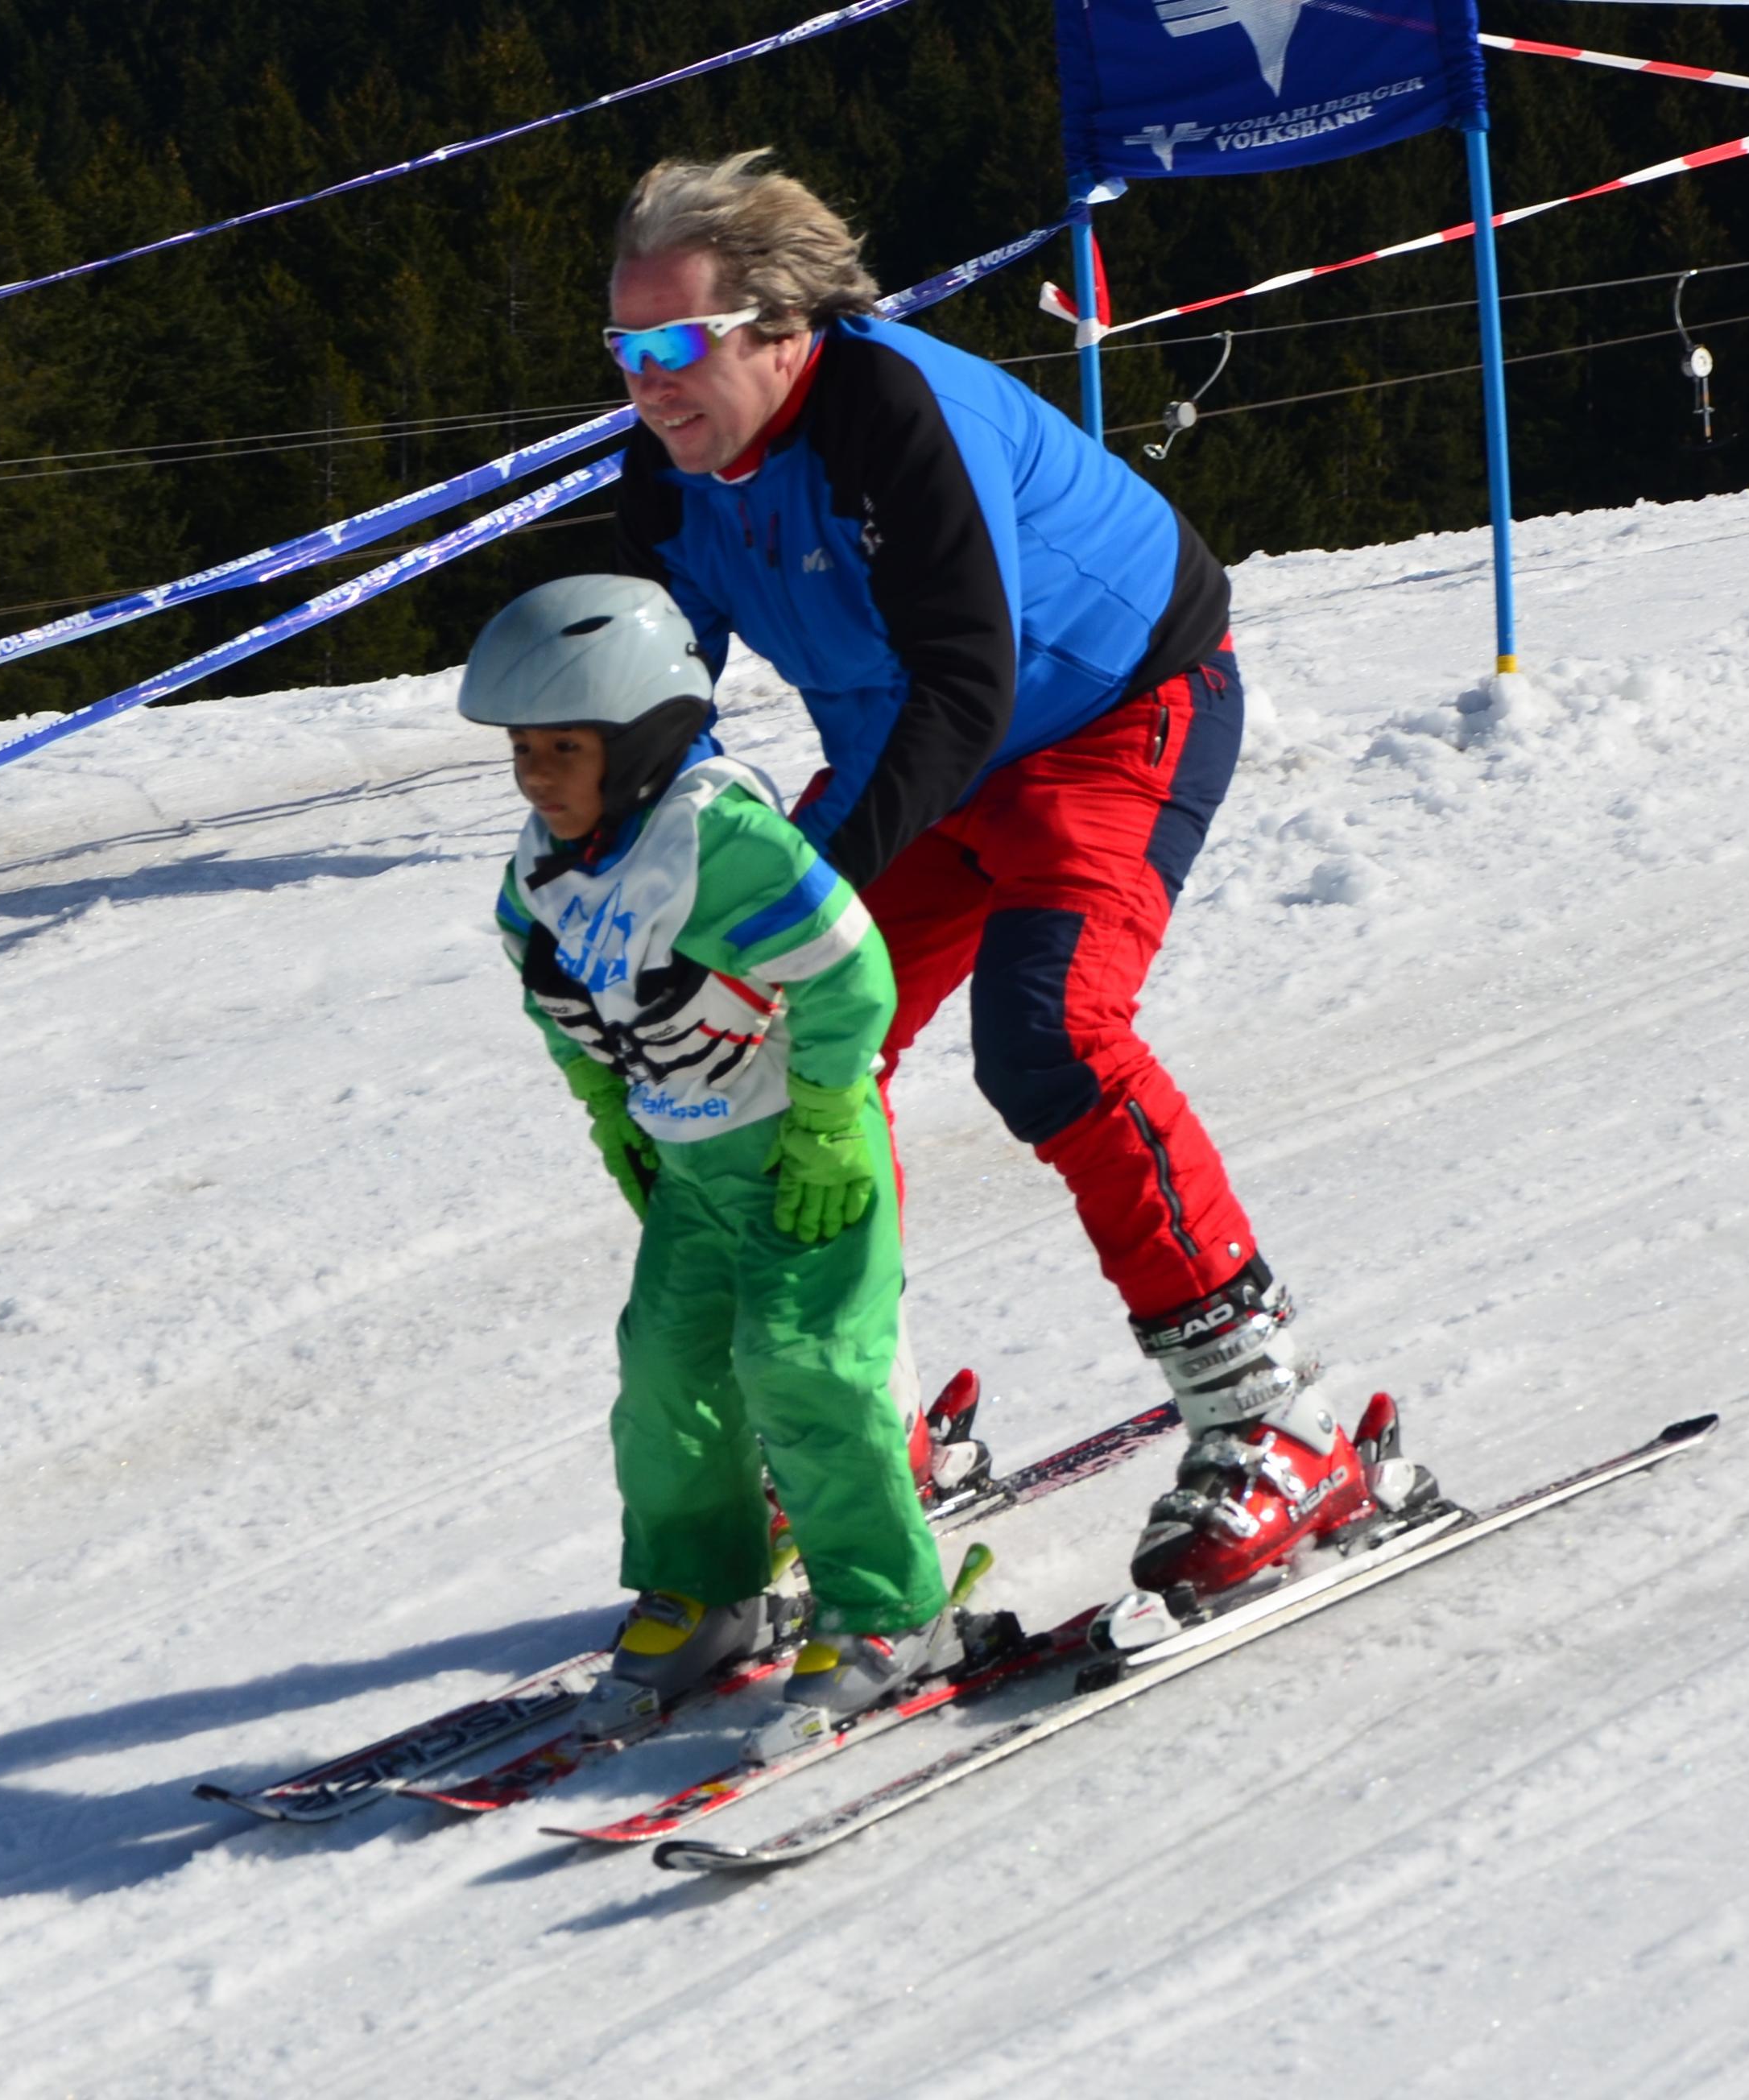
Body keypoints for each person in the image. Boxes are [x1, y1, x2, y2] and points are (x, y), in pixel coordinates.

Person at [601, 150, 1428, 1598]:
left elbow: (968, 680)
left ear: (783, 329)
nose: (645, 384)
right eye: (622, 348)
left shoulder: (890, 412)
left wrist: (802, 903)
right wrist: (627, 884)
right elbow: (651, 704)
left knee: (1049, 1038)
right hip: (913, 737)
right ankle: (859, 1427)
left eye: (676, 345)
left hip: (1110, 710)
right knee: (771, 1050)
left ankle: (1274, 1420)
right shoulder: (671, 475)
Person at [461, 572, 970, 1753]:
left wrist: (830, 1117)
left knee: (802, 1365)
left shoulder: (720, 842)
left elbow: (850, 970)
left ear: (644, 739)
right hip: (688, 1162)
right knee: (666, 1372)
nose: (536, 775)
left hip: (800, 1158)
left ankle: (891, 1608)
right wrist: (612, 1115)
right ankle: (707, 1587)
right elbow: (552, 995)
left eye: (565, 746)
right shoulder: (547, 869)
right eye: (524, 748)